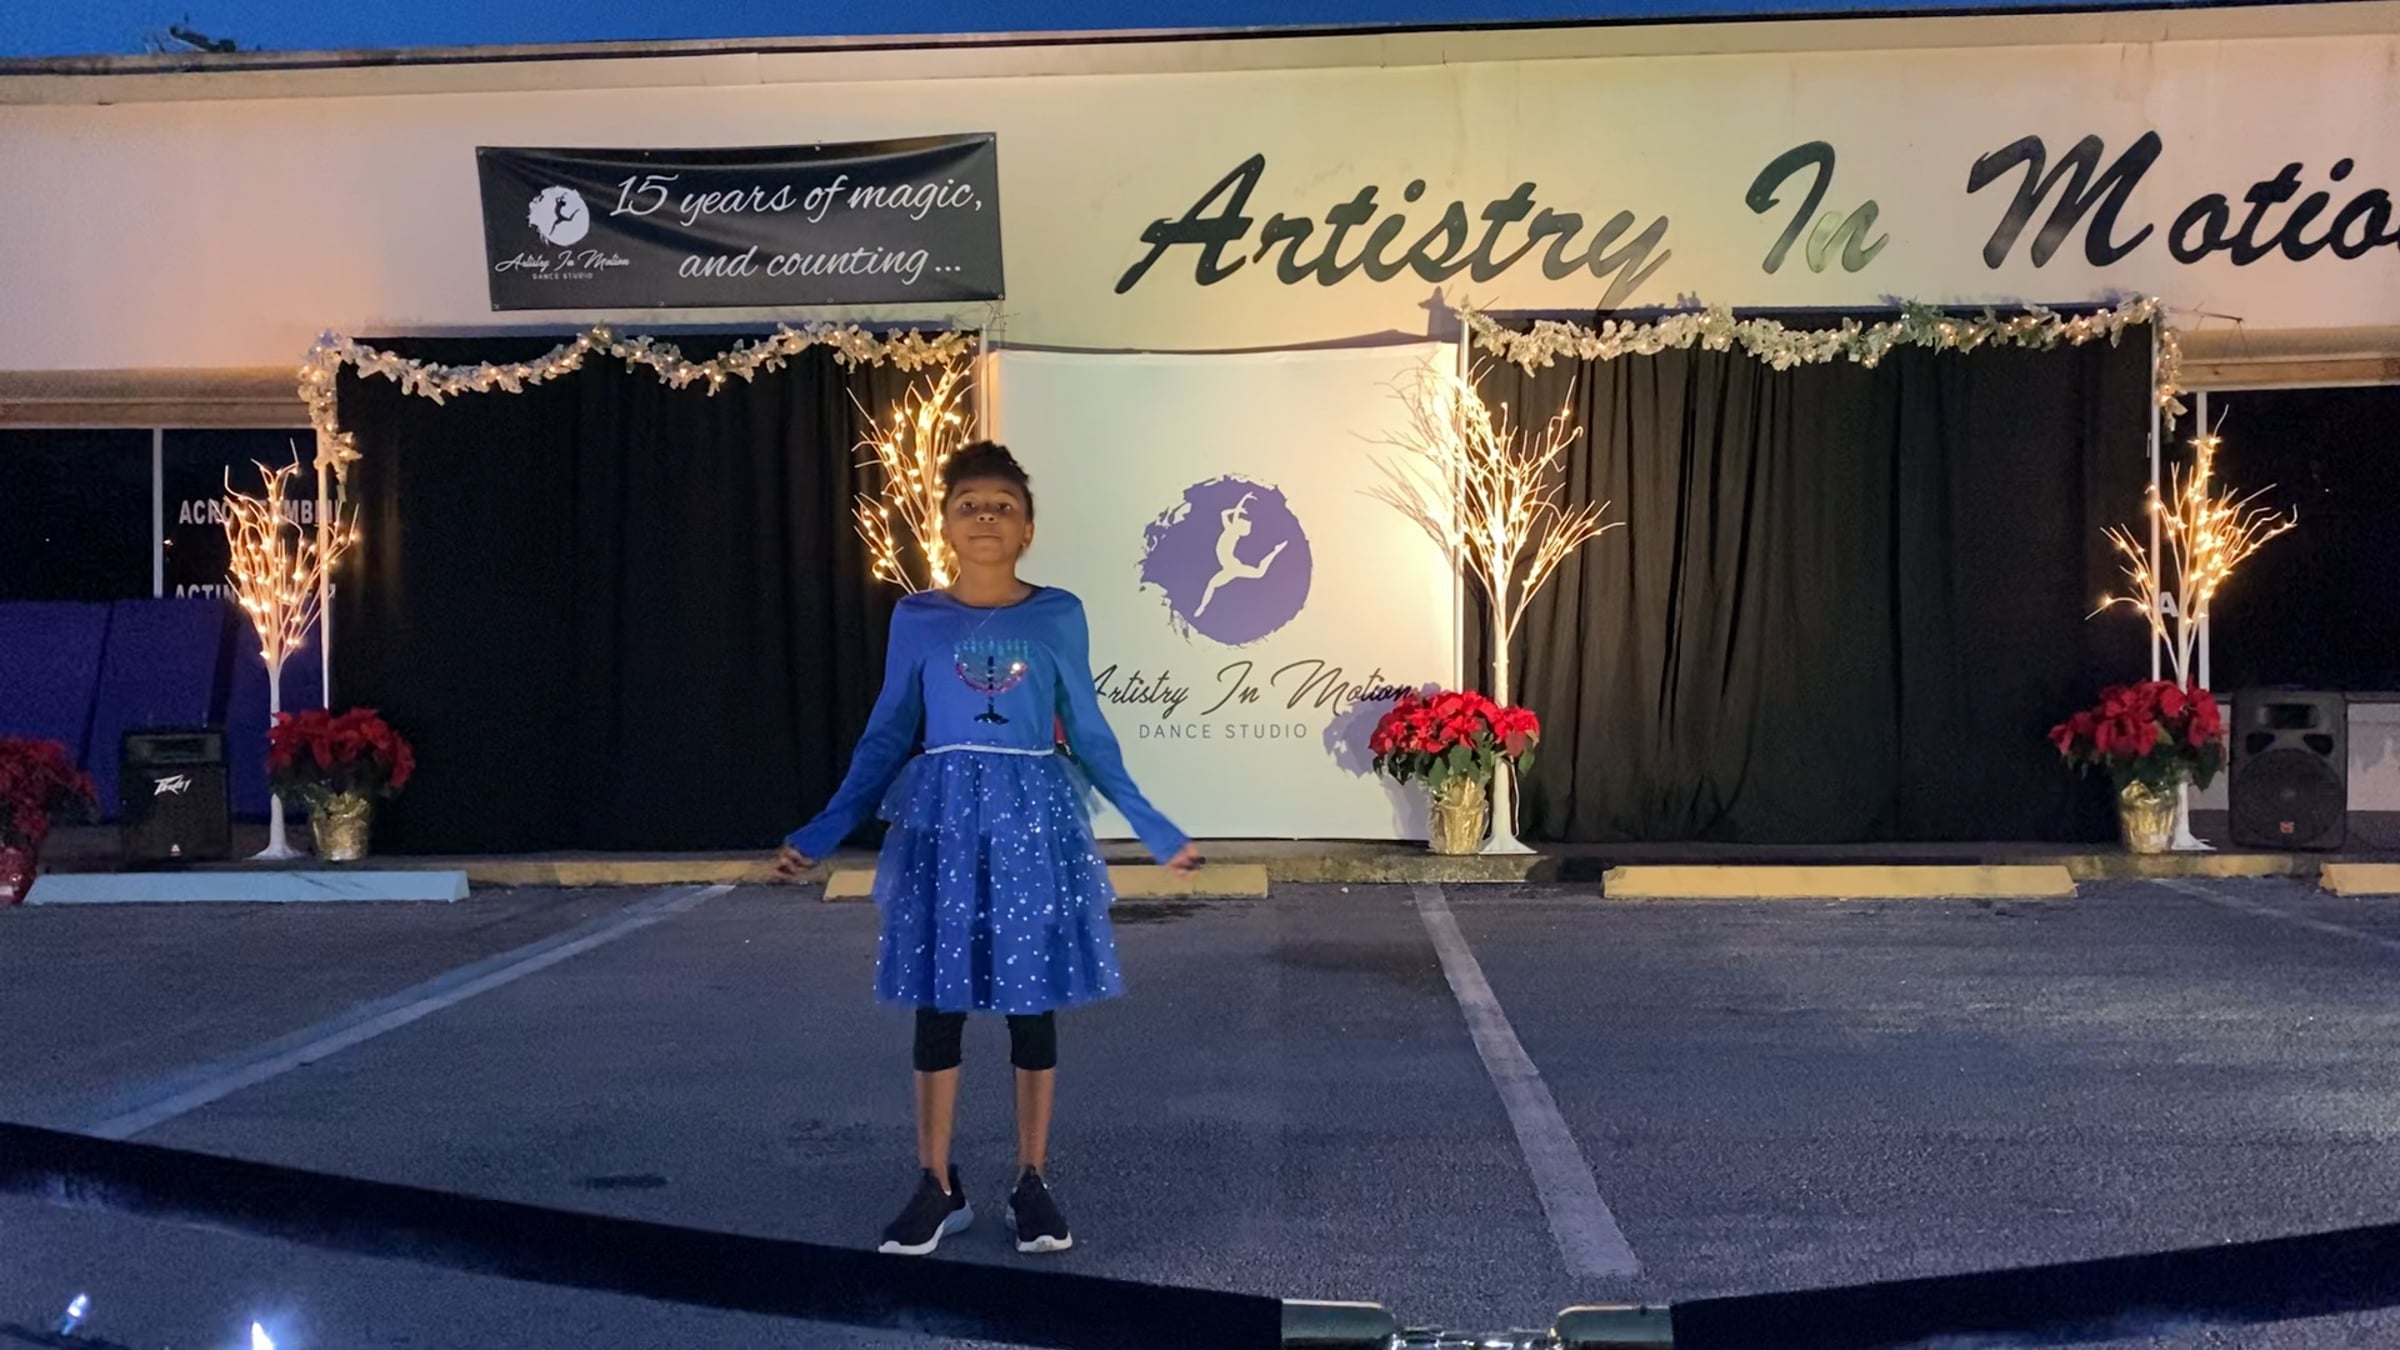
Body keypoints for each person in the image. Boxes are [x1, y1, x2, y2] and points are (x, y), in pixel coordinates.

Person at [777, 441, 1201, 1259]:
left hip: (1032, 824)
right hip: (944, 825)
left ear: (1028, 528)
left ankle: (1031, 1180)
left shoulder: (1058, 615)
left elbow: (1088, 730)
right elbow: (888, 732)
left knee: (1028, 1003)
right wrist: (825, 829)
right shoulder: (917, 619)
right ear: (944, 524)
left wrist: (1151, 826)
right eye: (968, 504)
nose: (984, 517)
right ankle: (936, 1184)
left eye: (1002, 506)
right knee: (939, 1003)